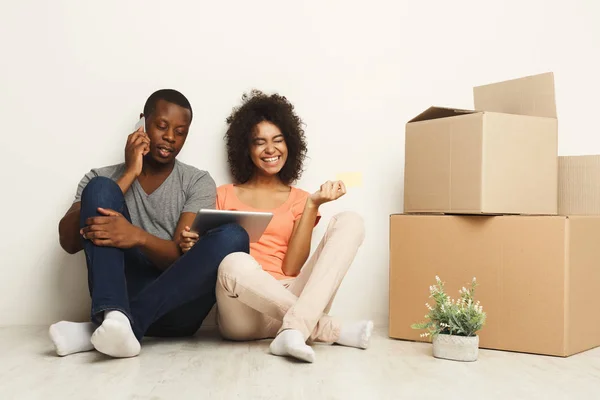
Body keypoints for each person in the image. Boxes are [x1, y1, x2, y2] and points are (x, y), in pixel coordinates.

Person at [49, 89, 249, 358]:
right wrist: (130, 172)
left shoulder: (196, 181)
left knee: (234, 236)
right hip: (120, 294)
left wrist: (137, 237)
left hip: (177, 309)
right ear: (142, 123)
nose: (170, 137)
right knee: (101, 189)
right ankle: (115, 320)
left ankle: (111, 327)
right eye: (162, 126)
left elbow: (179, 259)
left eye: (180, 132)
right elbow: (68, 242)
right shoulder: (100, 177)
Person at [180, 90, 372, 363]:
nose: (270, 149)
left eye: (278, 140)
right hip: (243, 310)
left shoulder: (301, 199)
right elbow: (210, 259)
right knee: (234, 261)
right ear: (246, 149)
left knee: (351, 221)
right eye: (260, 142)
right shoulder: (222, 194)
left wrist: (312, 205)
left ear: (290, 144)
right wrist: (193, 244)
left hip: (290, 295)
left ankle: (294, 330)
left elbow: (292, 269)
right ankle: (326, 328)